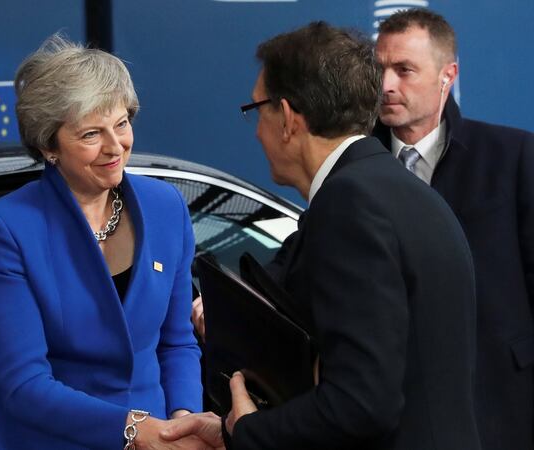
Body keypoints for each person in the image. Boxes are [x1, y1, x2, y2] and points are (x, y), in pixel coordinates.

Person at [163, 22, 481, 449]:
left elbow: (361, 402)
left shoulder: (349, 204)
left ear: (289, 118)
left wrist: (248, 431)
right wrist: (224, 430)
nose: (257, 130)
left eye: (257, 109)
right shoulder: (396, 190)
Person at [0, 35, 207, 450]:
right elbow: (23, 384)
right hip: (42, 438)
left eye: (121, 124)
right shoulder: (7, 227)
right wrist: (134, 429)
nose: (115, 147)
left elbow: (176, 341)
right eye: (91, 134)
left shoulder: (167, 207)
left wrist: (182, 422)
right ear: (48, 146)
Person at [373, 9, 534, 450]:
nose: (386, 85)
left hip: (498, 408)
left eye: (404, 70)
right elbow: (307, 251)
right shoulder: (355, 163)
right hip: (390, 415)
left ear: (448, 75)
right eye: (379, 68)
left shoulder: (512, 156)